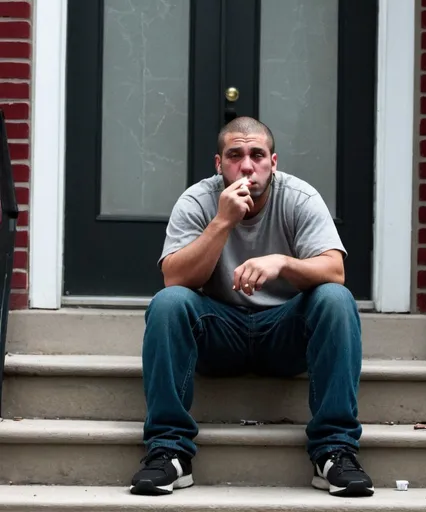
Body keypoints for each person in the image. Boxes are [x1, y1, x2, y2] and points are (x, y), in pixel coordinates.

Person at [130, 117, 374, 498]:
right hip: (217, 332)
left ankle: (334, 451)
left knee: (335, 299)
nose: (247, 166)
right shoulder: (197, 201)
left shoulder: (300, 198)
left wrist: (283, 263)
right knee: (169, 304)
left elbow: (335, 270)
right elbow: (174, 278)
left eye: (257, 155)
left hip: (284, 334)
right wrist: (223, 222)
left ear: (273, 162)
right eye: (235, 155)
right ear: (219, 164)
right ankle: (169, 452)